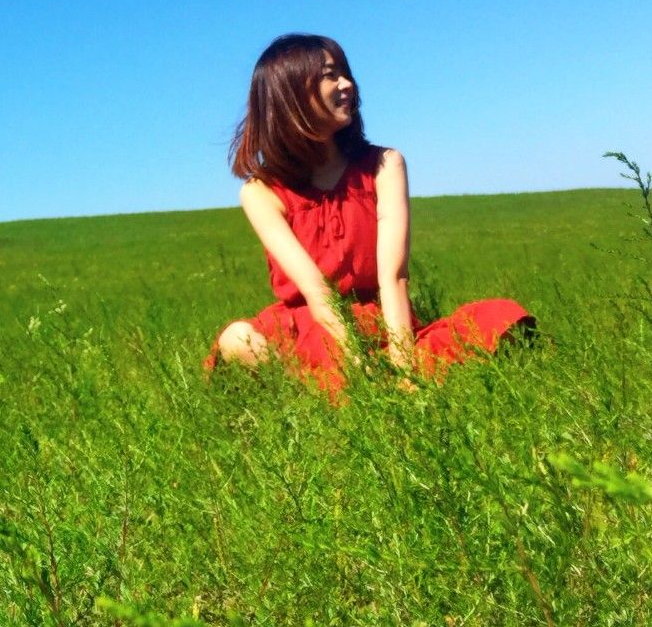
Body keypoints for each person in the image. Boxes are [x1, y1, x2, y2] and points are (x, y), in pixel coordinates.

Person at [207, 33, 532, 391]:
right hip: (309, 330)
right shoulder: (260, 192)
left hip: (382, 322)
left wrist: (404, 363)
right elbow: (318, 292)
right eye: (330, 75)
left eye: (345, 73)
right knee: (237, 339)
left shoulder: (384, 164)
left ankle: (340, 390)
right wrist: (356, 365)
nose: (347, 84)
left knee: (501, 316)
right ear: (292, 93)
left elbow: (393, 277)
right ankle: (329, 391)